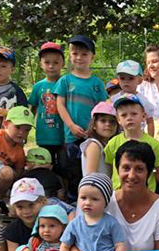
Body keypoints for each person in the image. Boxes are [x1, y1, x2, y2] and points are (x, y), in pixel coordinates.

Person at [53, 35, 108, 199]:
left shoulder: (97, 83)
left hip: (91, 136)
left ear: (92, 57)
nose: (79, 58)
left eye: (84, 54)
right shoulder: (65, 80)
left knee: (91, 168)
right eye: (75, 53)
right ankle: (73, 200)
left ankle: (92, 197)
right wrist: (71, 125)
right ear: (70, 55)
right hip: (72, 135)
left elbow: (101, 109)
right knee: (72, 170)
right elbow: (60, 105)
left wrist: (93, 129)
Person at [104, 94, 159, 192]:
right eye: (124, 115)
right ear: (118, 119)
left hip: (145, 195)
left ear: (143, 116)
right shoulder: (112, 143)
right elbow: (110, 168)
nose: (129, 118)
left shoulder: (154, 145)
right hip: (119, 194)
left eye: (134, 114)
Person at [29, 42, 65, 167]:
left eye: (55, 62)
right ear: (41, 64)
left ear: (62, 64)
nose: (51, 66)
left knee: (63, 166)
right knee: (44, 164)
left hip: (64, 136)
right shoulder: (38, 86)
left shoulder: (67, 83)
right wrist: (27, 128)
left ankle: (63, 187)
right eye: (47, 62)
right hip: (44, 135)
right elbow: (32, 108)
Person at [110, 60, 155, 136]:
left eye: (131, 78)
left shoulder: (144, 101)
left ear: (140, 80)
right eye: (122, 78)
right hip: (117, 137)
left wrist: (150, 140)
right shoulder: (113, 99)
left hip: (138, 137)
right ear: (118, 80)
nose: (126, 81)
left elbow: (150, 122)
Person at [80, 101, 119, 176]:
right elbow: (91, 176)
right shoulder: (94, 145)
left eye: (112, 121)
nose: (108, 124)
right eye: (103, 121)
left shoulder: (109, 145)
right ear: (94, 125)